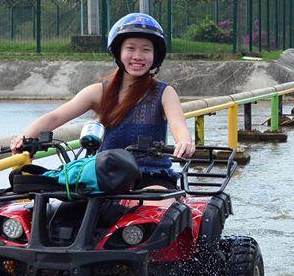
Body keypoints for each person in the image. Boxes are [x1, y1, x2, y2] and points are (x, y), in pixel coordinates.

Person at [11, 13, 194, 189]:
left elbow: (178, 125)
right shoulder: (99, 92)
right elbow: (55, 117)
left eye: (146, 49)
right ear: (118, 52)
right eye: (130, 48)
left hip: (152, 176)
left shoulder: (164, 93)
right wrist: (24, 138)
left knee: (155, 207)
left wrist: (184, 142)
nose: (138, 56)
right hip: (108, 177)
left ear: (155, 55)